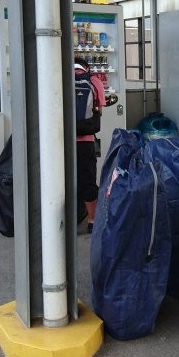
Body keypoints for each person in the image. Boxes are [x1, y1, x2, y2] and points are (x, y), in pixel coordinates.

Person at [75, 55, 105, 234]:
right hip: (85, 141)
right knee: (87, 179)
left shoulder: (58, 77)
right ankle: (92, 220)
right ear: (86, 68)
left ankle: (60, 219)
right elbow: (99, 110)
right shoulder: (94, 81)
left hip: (58, 141)